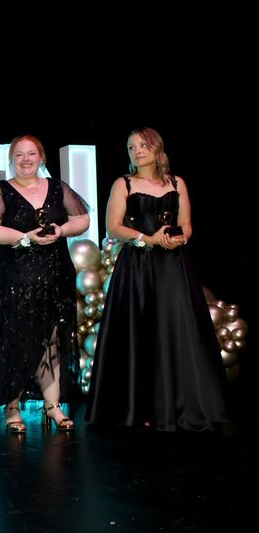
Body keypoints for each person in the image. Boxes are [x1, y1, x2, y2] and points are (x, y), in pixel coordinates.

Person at [86, 127, 229, 431]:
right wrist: (147, 239)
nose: (137, 151)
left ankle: (181, 405)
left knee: (175, 329)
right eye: (131, 147)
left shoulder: (177, 183)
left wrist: (179, 239)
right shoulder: (123, 183)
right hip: (136, 267)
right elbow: (113, 227)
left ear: (156, 147)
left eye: (142, 145)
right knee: (139, 330)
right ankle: (139, 408)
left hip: (172, 267)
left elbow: (186, 224)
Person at [0, 135, 89, 433]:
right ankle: (12, 407)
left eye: (32, 153)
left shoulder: (58, 188)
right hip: (14, 276)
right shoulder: (1, 190)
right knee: (14, 337)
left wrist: (61, 230)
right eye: (19, 154)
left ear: (42, 157)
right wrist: (24, 237)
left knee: (52, 337)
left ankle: (53, 405)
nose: (26, 159)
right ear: (11, 159)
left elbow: (82, 219)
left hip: (55, 274)